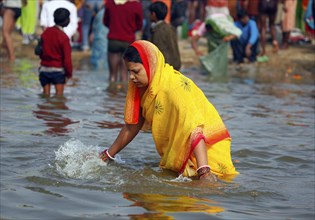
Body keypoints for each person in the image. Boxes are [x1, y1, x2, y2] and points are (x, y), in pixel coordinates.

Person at [99, 40, 239, 181]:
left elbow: (194, 129)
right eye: (129, 71)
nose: (131, 77)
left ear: (150, 66)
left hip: (206, 156)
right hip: (187, 154)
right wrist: (106, 156)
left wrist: (204, 173)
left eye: (136, 71)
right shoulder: (145, 88)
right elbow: (132, 126)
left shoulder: (173, 88)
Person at [103, 0, 143, 85]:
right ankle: (122, 96)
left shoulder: (110, 3)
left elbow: (105, 21)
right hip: (128, 41)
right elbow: (139, 24)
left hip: (113, 40)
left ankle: (111, 96)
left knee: (112, 75)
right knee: (124, 75)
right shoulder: (136, 5)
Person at [190, 11, 241, 75]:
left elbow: (238, 32)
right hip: (213, 20)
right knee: (213, 49)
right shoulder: (203, 27)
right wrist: (196, 50)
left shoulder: (224, 26)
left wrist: (229, 37)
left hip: (223, 19)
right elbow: (193, 40)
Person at [38, 8, 73, 96]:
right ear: (66, 21)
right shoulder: (64, 37)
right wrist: (69, 74)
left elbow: (40, 51)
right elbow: (67, 60)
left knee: (45, 96)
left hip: (44, 69)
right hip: (58, 71)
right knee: (59, 98)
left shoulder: (45, 33)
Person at [148, 1, 181, 71]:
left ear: (153, 14)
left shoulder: (158, 31)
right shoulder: (170, 28)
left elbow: (159, 52)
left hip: (164, 69)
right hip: (173, 67)